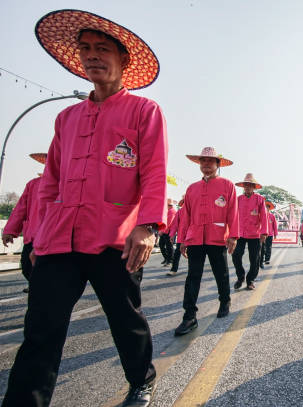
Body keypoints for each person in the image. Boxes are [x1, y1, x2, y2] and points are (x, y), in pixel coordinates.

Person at [3, 10, 167, 407]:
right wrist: (38, 235)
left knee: (125, 319)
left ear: (123, 60)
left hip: (116, 240)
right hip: (59, 240)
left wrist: (148, 226)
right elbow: (50, 183)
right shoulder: (66, 117)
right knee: (41, 329)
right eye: (86, 49)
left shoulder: (144, 111)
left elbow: (155, 171)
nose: (93, 56)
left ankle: (141, 380)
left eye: (103, 49)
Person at [176, 147, 238, 336]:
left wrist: (233, 235)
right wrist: (182, 239)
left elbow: (233, 212)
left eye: (210, 162)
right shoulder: (191, 188)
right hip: (195, 238)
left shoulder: (227, 185)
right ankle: (189, 316)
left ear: (218, 165)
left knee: (221, 273)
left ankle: (224, 300)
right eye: (203, 161)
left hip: (217, 236)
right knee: (193, 277)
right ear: (199, 164)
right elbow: (185, 215)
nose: (206, 165)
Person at [2, 153, 46, 293]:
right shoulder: (33, 184)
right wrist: (10, 230)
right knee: (27, 265)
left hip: (52, 237)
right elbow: (20, 208)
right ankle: (36, 284)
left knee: (48, 268)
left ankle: (39, 287)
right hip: (32, 236)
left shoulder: (66, 183)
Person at [231, 173, 268, 290]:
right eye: (246, 185)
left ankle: (250, 279)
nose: (247, 187)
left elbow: (264, 216)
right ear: (243, 186)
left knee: (255, 258)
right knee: (236, 255)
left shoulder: (260, 200)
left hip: (255, 234)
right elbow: (232, 216)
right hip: (239, 233)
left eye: (250, 185)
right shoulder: (238, 199)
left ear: (254, 187)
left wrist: (264, 232)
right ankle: (240, 276)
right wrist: (230, 234)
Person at [166, 198, 184, 277]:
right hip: (181, 236)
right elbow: (175, 224)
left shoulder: (195, 211)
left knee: (193, 254)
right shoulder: (180, 212)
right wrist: (172, 234)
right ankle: (173, 269)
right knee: (177, 253)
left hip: (193, 237)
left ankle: (192, 270)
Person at [159, 198, 177, 266]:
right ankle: (167, 258)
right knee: (162, 245)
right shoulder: (169, 211)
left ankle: (170, 260)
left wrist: (162, 231)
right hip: (166, 231)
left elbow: (168, 223)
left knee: (169, 246)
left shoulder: (171, 211)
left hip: (169, 231)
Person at [260, 201, 278, 267]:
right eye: (265, 207)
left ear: (269, 208)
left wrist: (275, 234)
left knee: (268, 247)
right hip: (261, 234)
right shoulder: (260, 215)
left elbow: (275, 226)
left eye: (267, 207)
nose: (266, 208)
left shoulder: (272, 216)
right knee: (262, 247)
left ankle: (267, 259)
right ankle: (261, 259)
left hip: (269, 234)